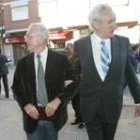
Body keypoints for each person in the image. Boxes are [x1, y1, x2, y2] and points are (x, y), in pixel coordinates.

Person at [74, 4, 140, 140]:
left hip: (113, 106)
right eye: (110, 22)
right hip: (90, 108)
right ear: (96, 24)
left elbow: (130, 73)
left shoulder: (123, 42)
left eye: (114, 21)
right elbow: (73, 73)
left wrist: (139, 100)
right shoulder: (80, 45)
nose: (114, 26)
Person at [11, 22, 77, 140]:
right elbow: (16, 88)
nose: (25, 39)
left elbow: (75, 84)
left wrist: (58, 100)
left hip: (54, 118)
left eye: (29, 36)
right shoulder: (22, 63)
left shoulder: (61, 60)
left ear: (41, 39)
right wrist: (25, 104)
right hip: (32, 119)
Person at [65, 43, 85, 129]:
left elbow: (82, 73)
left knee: (80, 105)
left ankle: (83, 121)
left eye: (68, 48)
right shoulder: (69, 59)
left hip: (79, 86)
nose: (67, 50)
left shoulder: (79, 59)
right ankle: (78, 119)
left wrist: (81, 85)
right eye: (66, 49)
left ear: (73, 49)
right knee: (75, 104)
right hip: (72, 85)